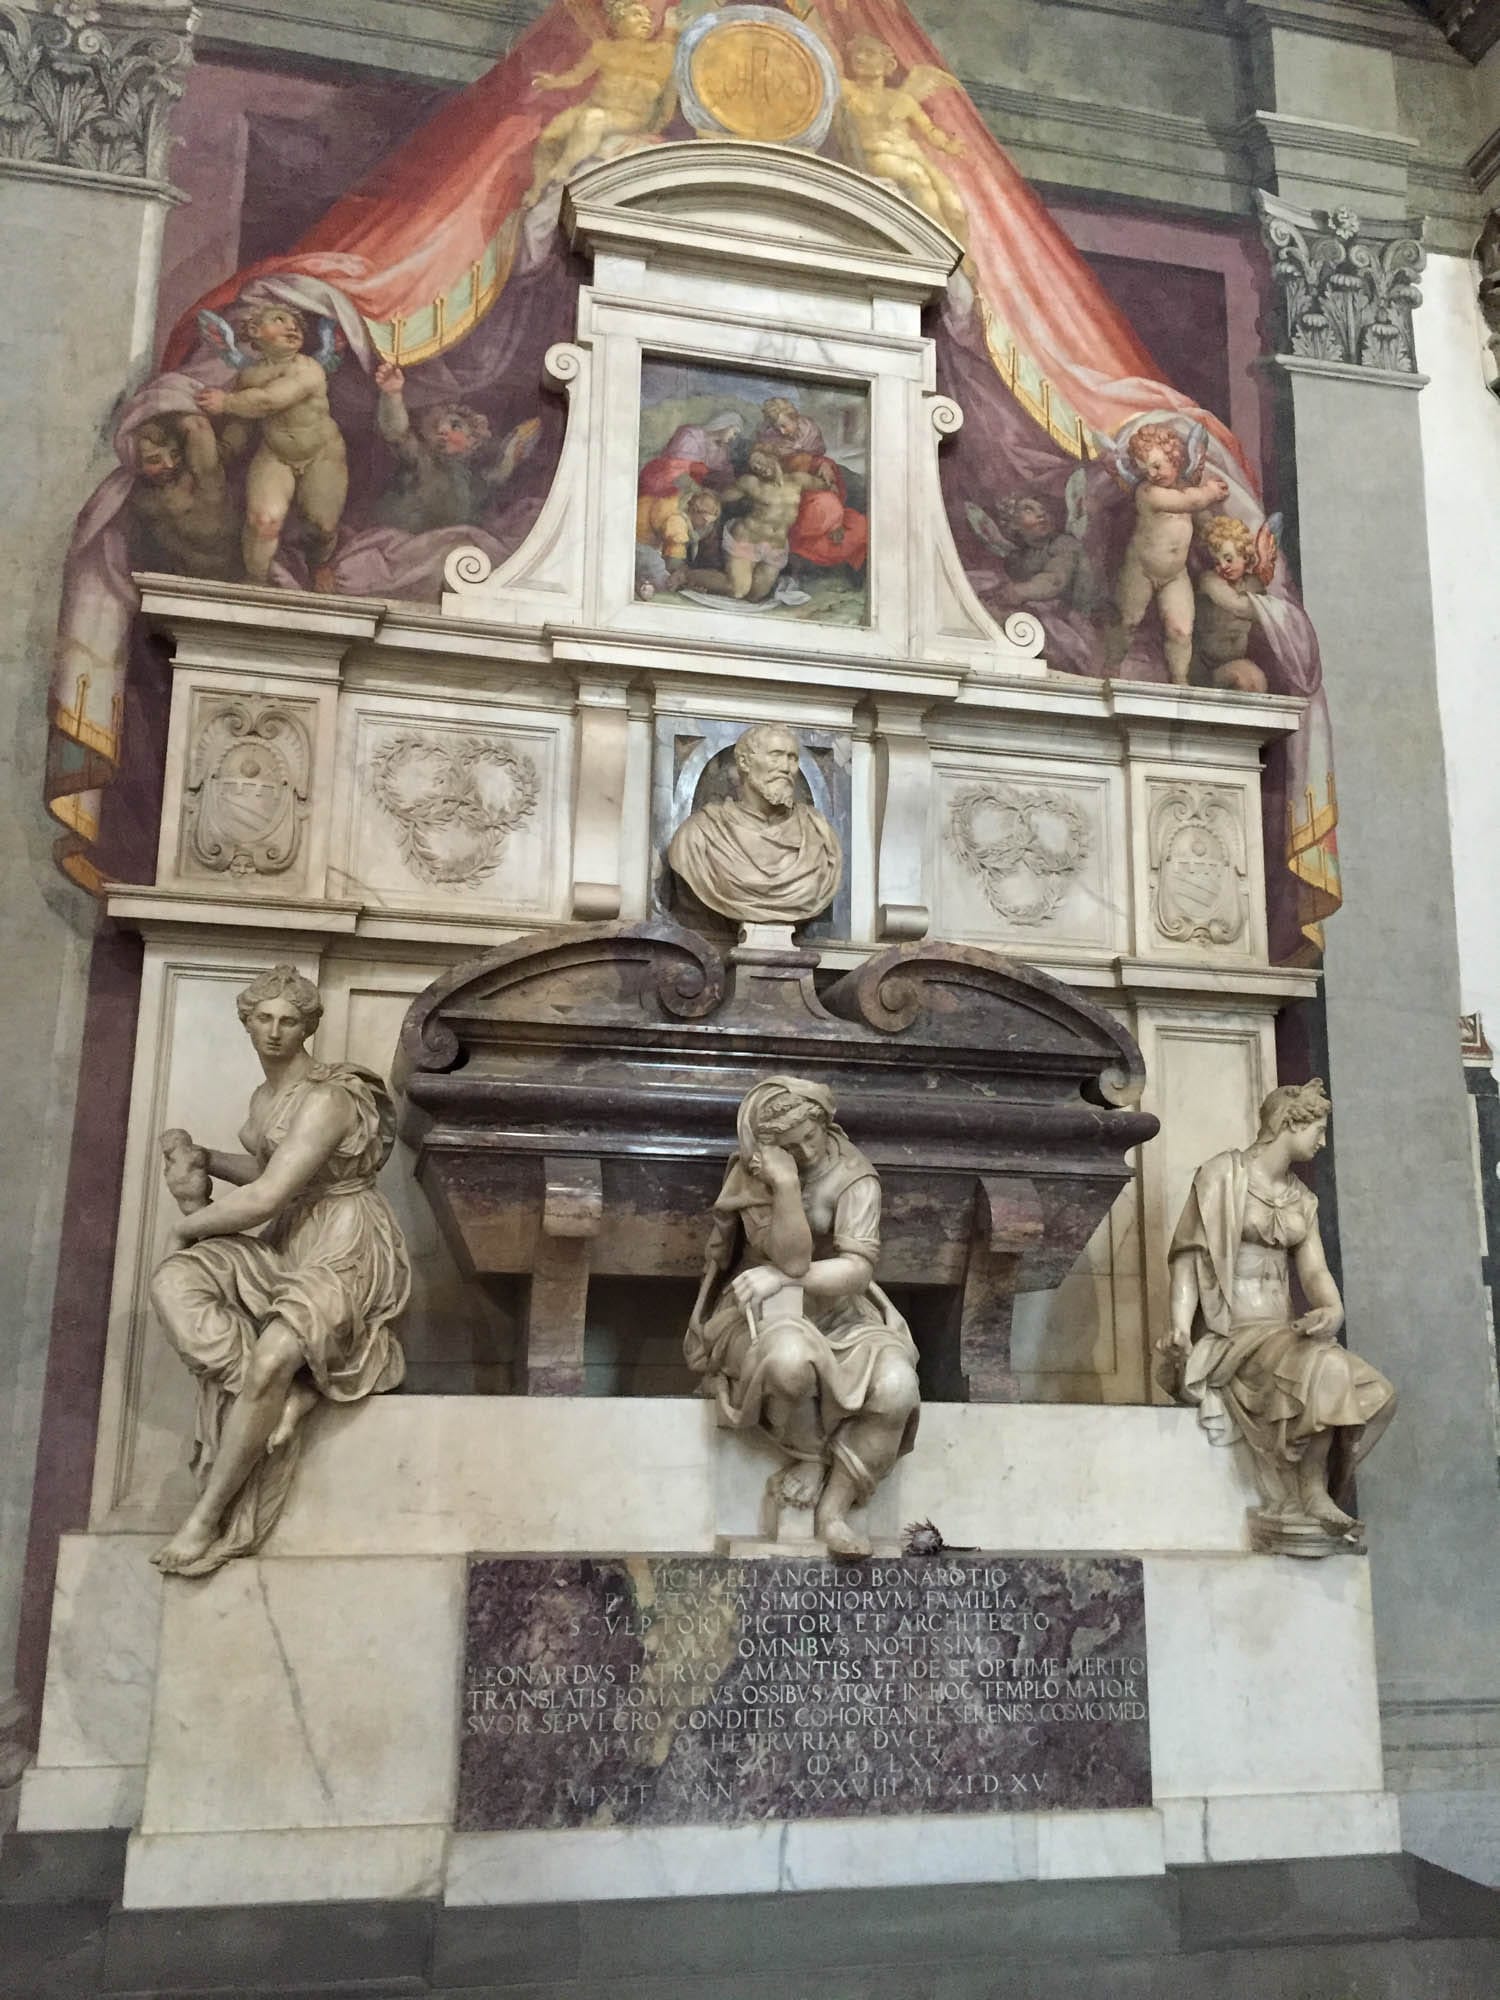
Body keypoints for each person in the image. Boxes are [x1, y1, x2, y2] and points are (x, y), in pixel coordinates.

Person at [150, 966, 409, 1577]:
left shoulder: (328, 1098)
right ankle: (279, 1392)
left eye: (289, 1021)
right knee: (175, 1280)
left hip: (347, 1245)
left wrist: (187, 1226)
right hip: (290, 1240)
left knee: (270, 1355)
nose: (274, 1031)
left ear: (307, 1027)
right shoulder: (265, 1099)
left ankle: (207, 1517)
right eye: (263, 1019)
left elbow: (269, 1195)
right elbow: (275, 1173)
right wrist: (207, 1159)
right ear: (246, 1022)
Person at [1157, 1079, 1396, 1554]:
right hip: (1233, 1335)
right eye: (1318, 1129)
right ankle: (1310, 1490)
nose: (1322, 1141)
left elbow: (1315, 1272)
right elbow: (1189, 1258)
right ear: (1291, 1122)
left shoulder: (1302, 1200)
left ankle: (1314, 1491)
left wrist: (1332, 1310)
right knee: (1326, 1366)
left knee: (1380, 1398)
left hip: (1282, 1333)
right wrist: (1181, 1328)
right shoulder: (1222, 1176)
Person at [686, 1076, 920, 1560]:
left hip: (841, 1312)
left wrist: (783, 1279)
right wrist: (787, 1184)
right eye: (791, 1148)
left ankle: (833, 1511)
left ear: (824, 1122)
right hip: (758, 1314)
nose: (807, 1152)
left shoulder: (855, 1176)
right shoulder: (755, 1177)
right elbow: (791, 1258)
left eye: (811, 1137)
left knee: (897, 1386)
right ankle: (810, 1457)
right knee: (789, 1361)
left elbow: (856, 1270)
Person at [195, 304, 348, 591]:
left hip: (322, 454)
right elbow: (244, 424)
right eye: (279, 320)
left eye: (296, 325)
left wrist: (226, 402)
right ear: (255, 331)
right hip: (275, 455)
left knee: (323, 525)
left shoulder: (308, 368)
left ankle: (319, 563)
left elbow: (271, 400)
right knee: (263, 521)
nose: (292, 327)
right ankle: (255, 580)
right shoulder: (248, 376)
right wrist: (225, 449)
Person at [667, 720, 842, 925]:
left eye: (792, 758)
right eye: (776, 755)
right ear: (744, 762)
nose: (786, 768)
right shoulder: (699, 834)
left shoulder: (818, 834)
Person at [1105, 422, 1229, 684]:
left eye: (1156, 465)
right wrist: (1210, 492)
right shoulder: (1148, 493)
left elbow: (1199, 517)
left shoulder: (1184, 485)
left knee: (1181, 631)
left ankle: (1180, 681)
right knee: (1127, 622)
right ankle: (1111, 667)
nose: (1152, 474)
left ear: (1174, 458)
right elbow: (1189, 502)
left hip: (1175, 574)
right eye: (1145, 469)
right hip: (1141, 569)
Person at [526, 0, 679, 200]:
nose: (647, 21)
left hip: (629, 117)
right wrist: (552, 83)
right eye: (637, 15)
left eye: (649, 17)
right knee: (549, 136)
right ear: (618, 22)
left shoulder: (663, 54)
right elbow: (576, 77)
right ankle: (537, 189)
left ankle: (561, 172)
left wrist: (651, 133)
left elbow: (669, 103)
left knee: (592, 120)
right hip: (593, 105)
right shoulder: (603, 49)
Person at [372, 362, 540, 531]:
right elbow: (397, 433)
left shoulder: (472, 479)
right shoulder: (423, 459)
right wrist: (392, 395)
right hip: (411, 534)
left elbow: (495, 478)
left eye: (455, 426)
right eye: (437, 429)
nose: (442, 431)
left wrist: (511, 455)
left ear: (473, 440)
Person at [837, 35, 968, 241]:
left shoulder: (902, 99)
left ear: (888, 64)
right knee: (918, 179)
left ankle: (961, 253)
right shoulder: (846, 89)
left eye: (869, 53)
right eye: (856, 53)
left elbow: (929, 130)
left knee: (955, 207)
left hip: (912, 155)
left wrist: (948, 145)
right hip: (877, 156)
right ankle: (943, 247)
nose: (860, 58)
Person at [128, 413, 240, 581]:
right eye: (154, 460)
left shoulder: (202, 479)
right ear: (137, 465)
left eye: (175, 454)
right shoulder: (138, 500)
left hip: (223, 578)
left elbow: (198, 427)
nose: (169, 465)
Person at [1192, 514, 1273, 693]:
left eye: (1228, 559)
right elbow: (1236, 605)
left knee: (1257, 682)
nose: (1223, 566)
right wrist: (1270, 610)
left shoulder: (1253, 584)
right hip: (1204, 665)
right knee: (1242, 681)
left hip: (1235, 660)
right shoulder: (1210, 581)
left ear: (1244, 555)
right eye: (1217, 562)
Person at [637, 412, 742, 498]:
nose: (734, 438)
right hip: (666, 479)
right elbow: (677, 470)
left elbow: (724, 478)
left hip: (695, 489)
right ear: (725, 425)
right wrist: (701, 490)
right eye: (734, 433)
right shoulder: (691, 434)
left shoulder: (722, 451)